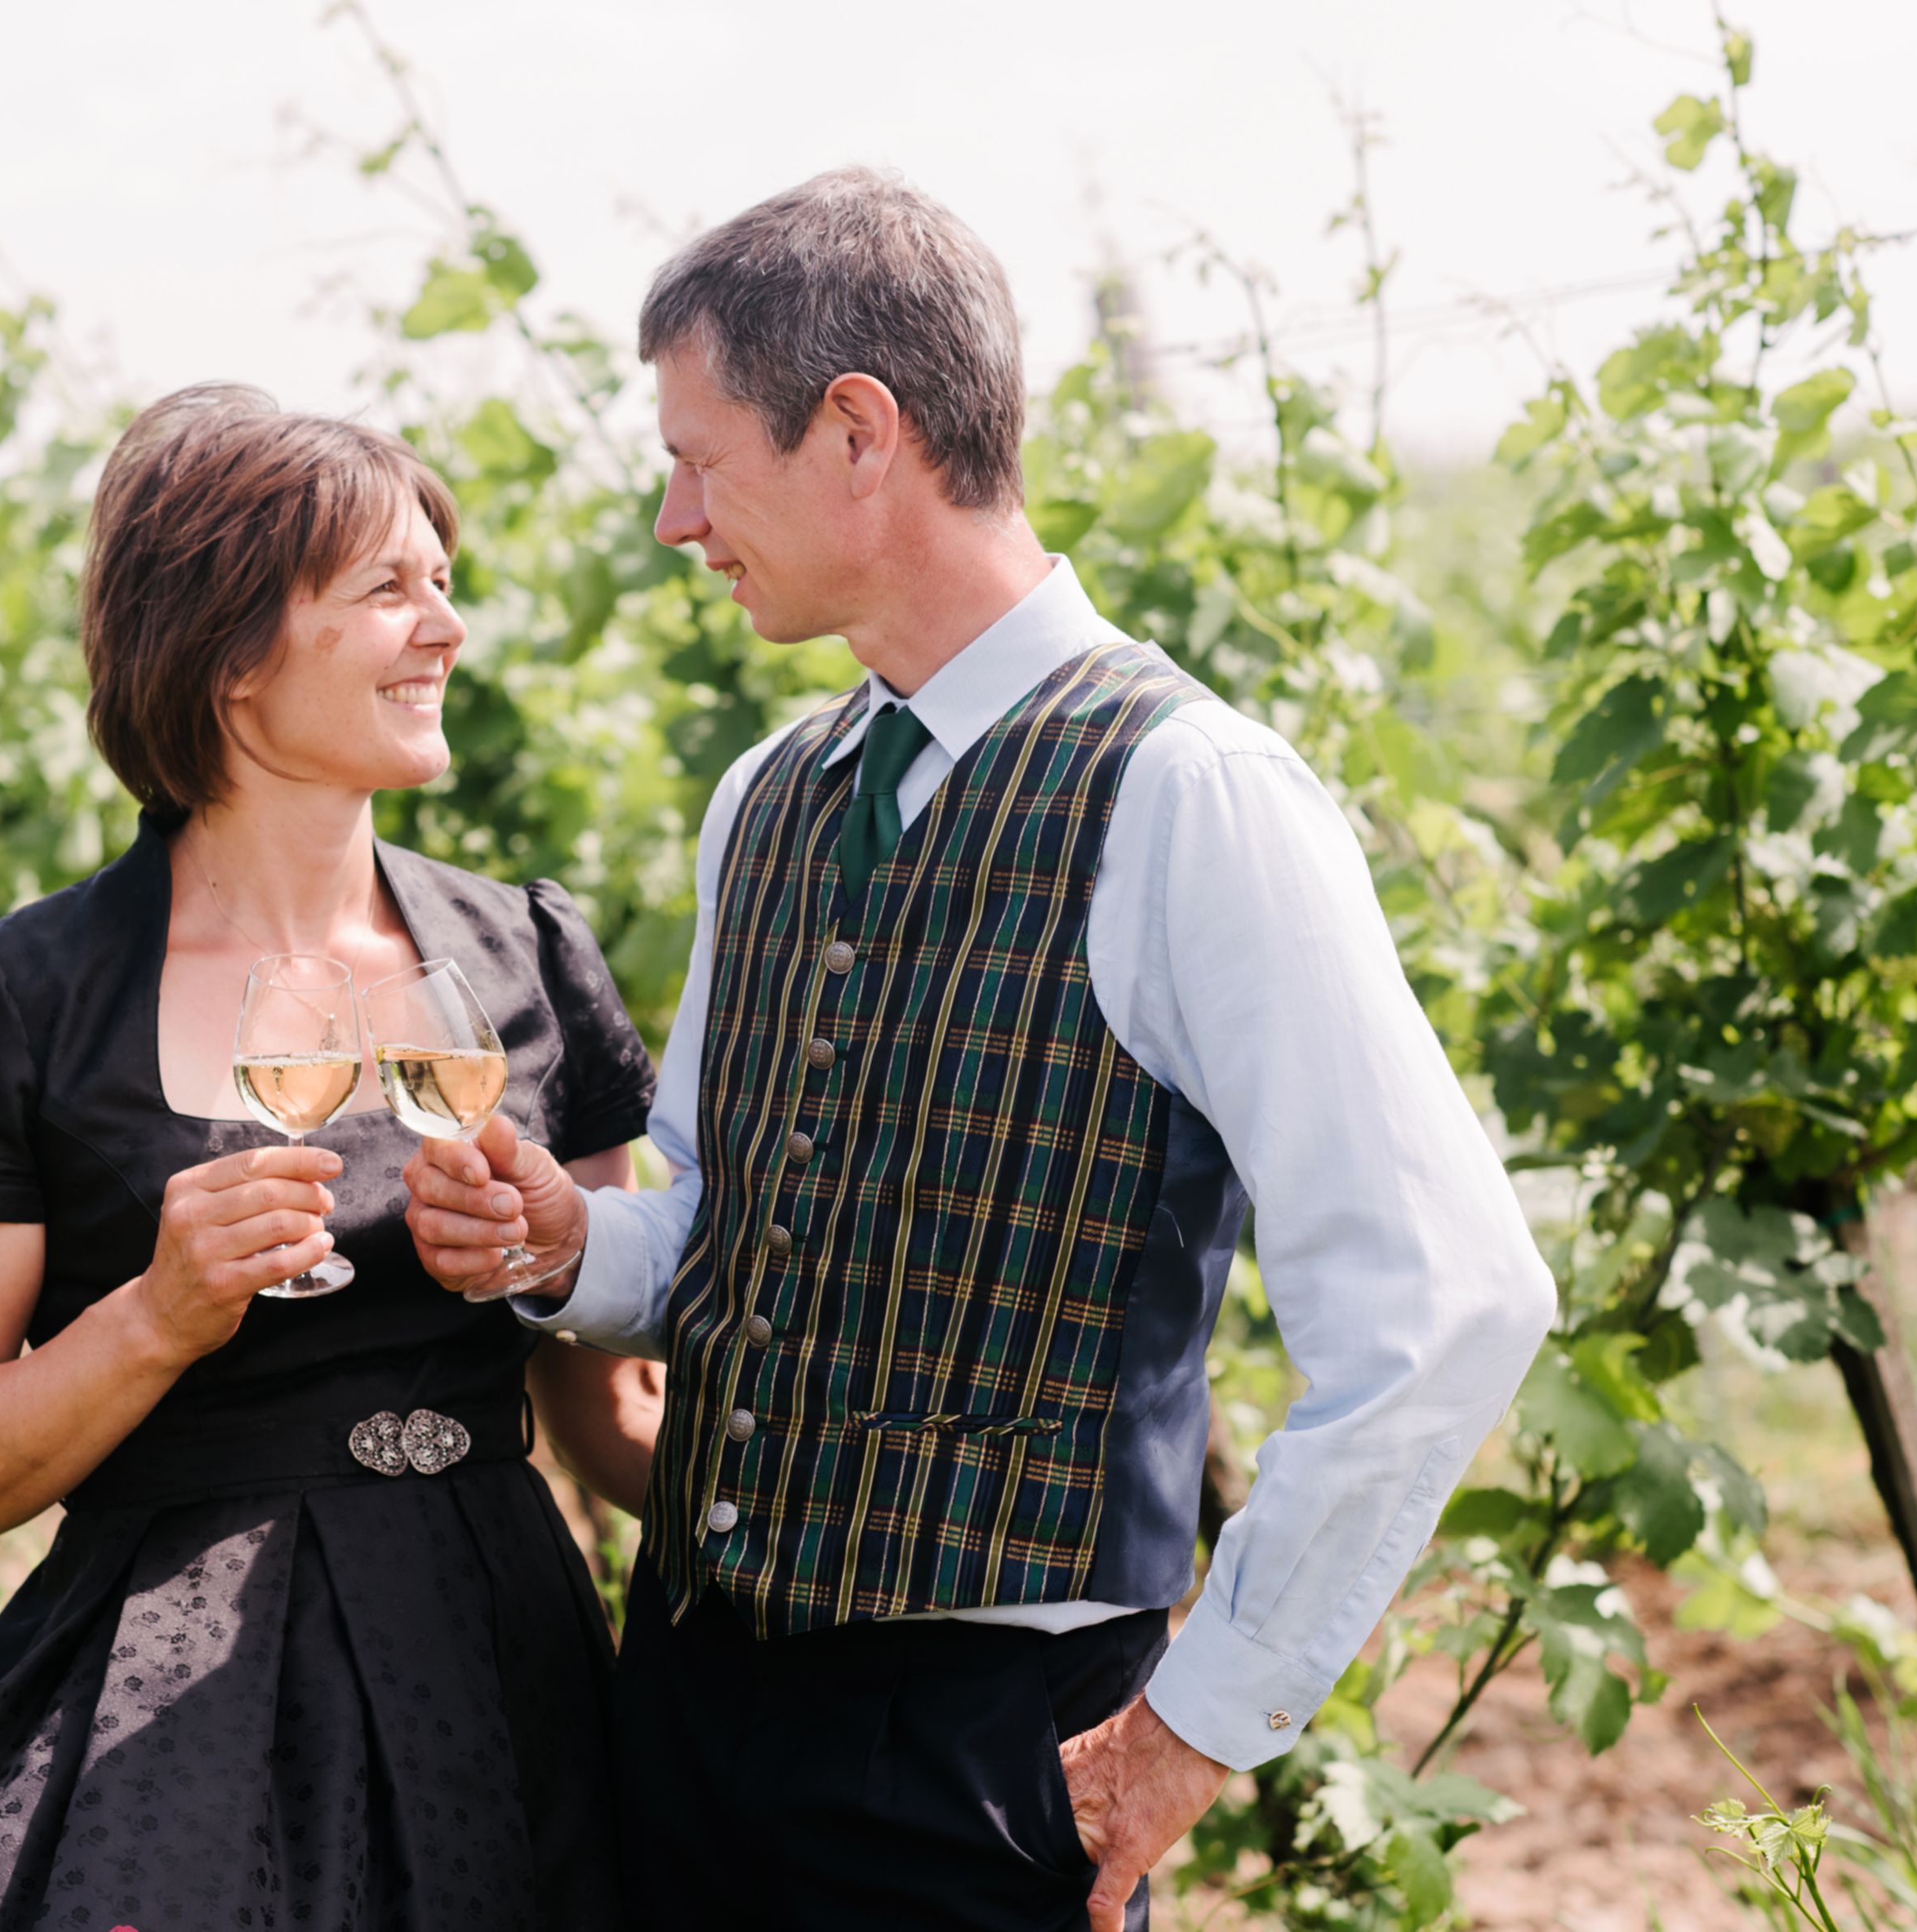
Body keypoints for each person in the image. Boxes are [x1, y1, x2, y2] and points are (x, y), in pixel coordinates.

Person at [402, 170, 1556, 1932]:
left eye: (698, 458)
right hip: (686, 1699)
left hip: (971, 1756)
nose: (670, 518)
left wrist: (1196, 1723)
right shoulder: (768, 799)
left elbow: (1444, 1298)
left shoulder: (1184, 796)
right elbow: (727, 1220)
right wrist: (572, 1248)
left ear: (856, 431)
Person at [0, 385, 661, 1932]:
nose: (443, 628)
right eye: (387, 590)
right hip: (183, 1712)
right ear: (233, 654)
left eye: (443, 583)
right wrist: (152, 1318)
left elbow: (620, 1430)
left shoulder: (528, 952)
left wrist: (565, 1279)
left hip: (503, 1659)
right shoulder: (14, 998)